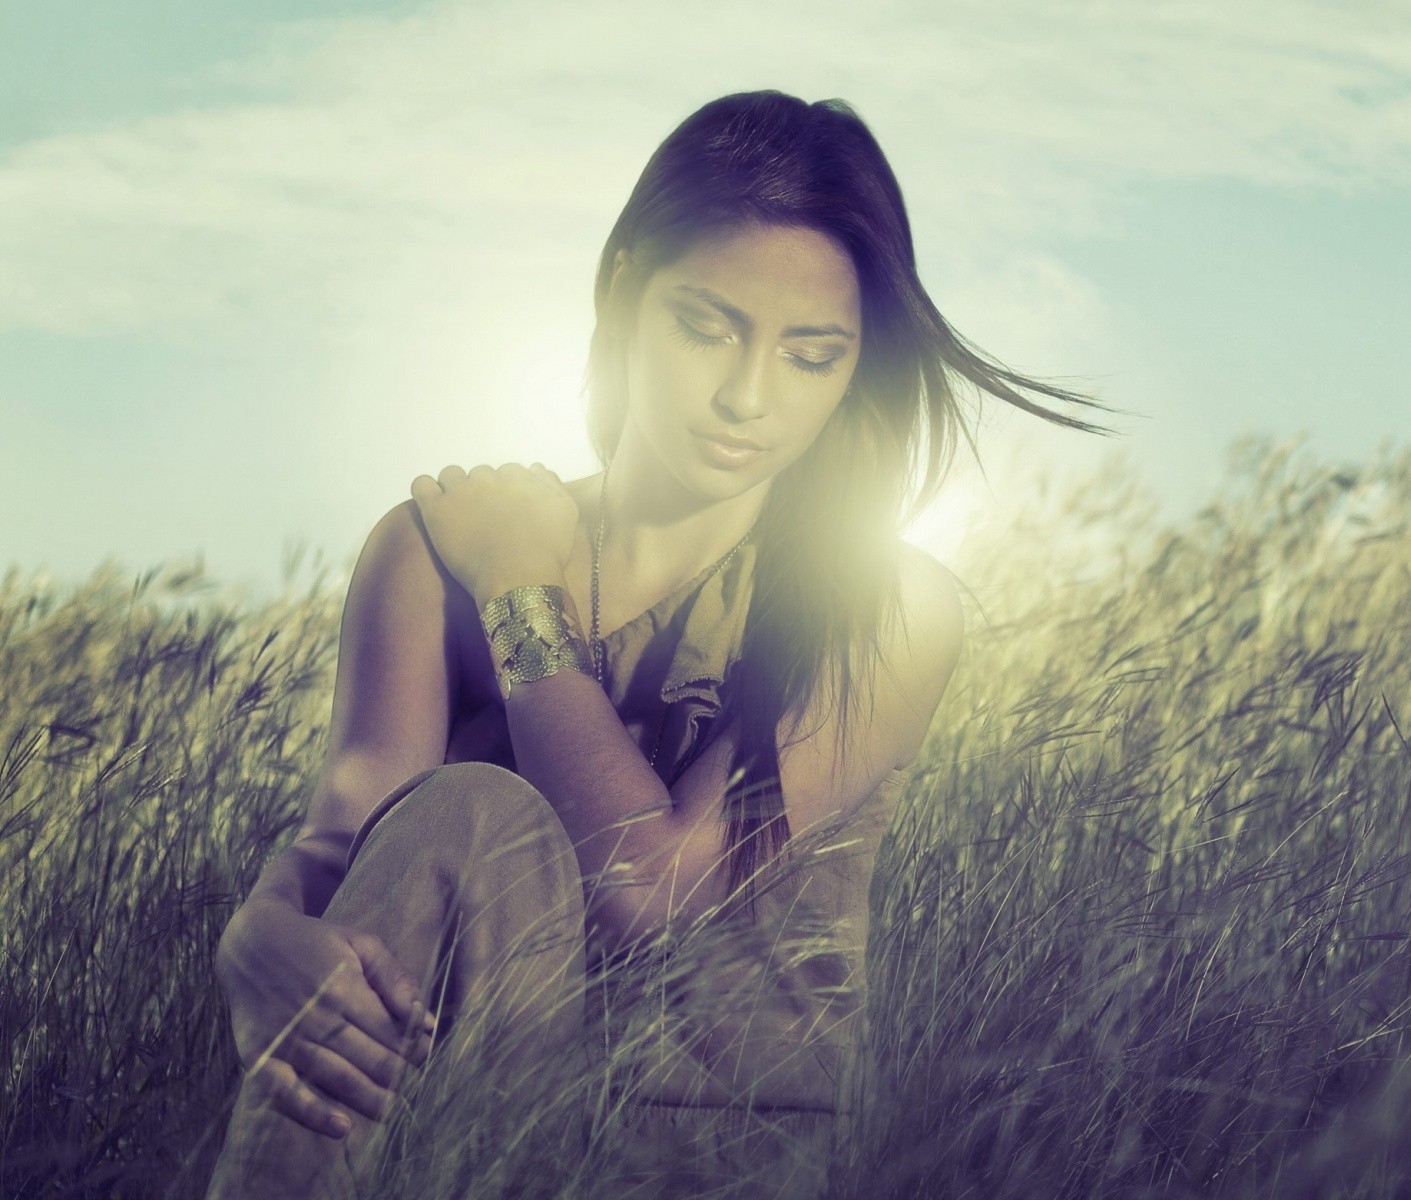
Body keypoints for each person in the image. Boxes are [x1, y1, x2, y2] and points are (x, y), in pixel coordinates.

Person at [195, 90, 1104, 1199]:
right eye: (708, 326)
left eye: (810, 356)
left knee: (483, 810)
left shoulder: (888, 604)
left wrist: (523, 593)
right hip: (446, 1094)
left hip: (716, 1147)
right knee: (465, 818)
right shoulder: (434, 549)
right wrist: (256, 939)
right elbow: (353, 837)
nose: (745, 397)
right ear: (625, 285)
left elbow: (654, 889)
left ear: (856, 366)